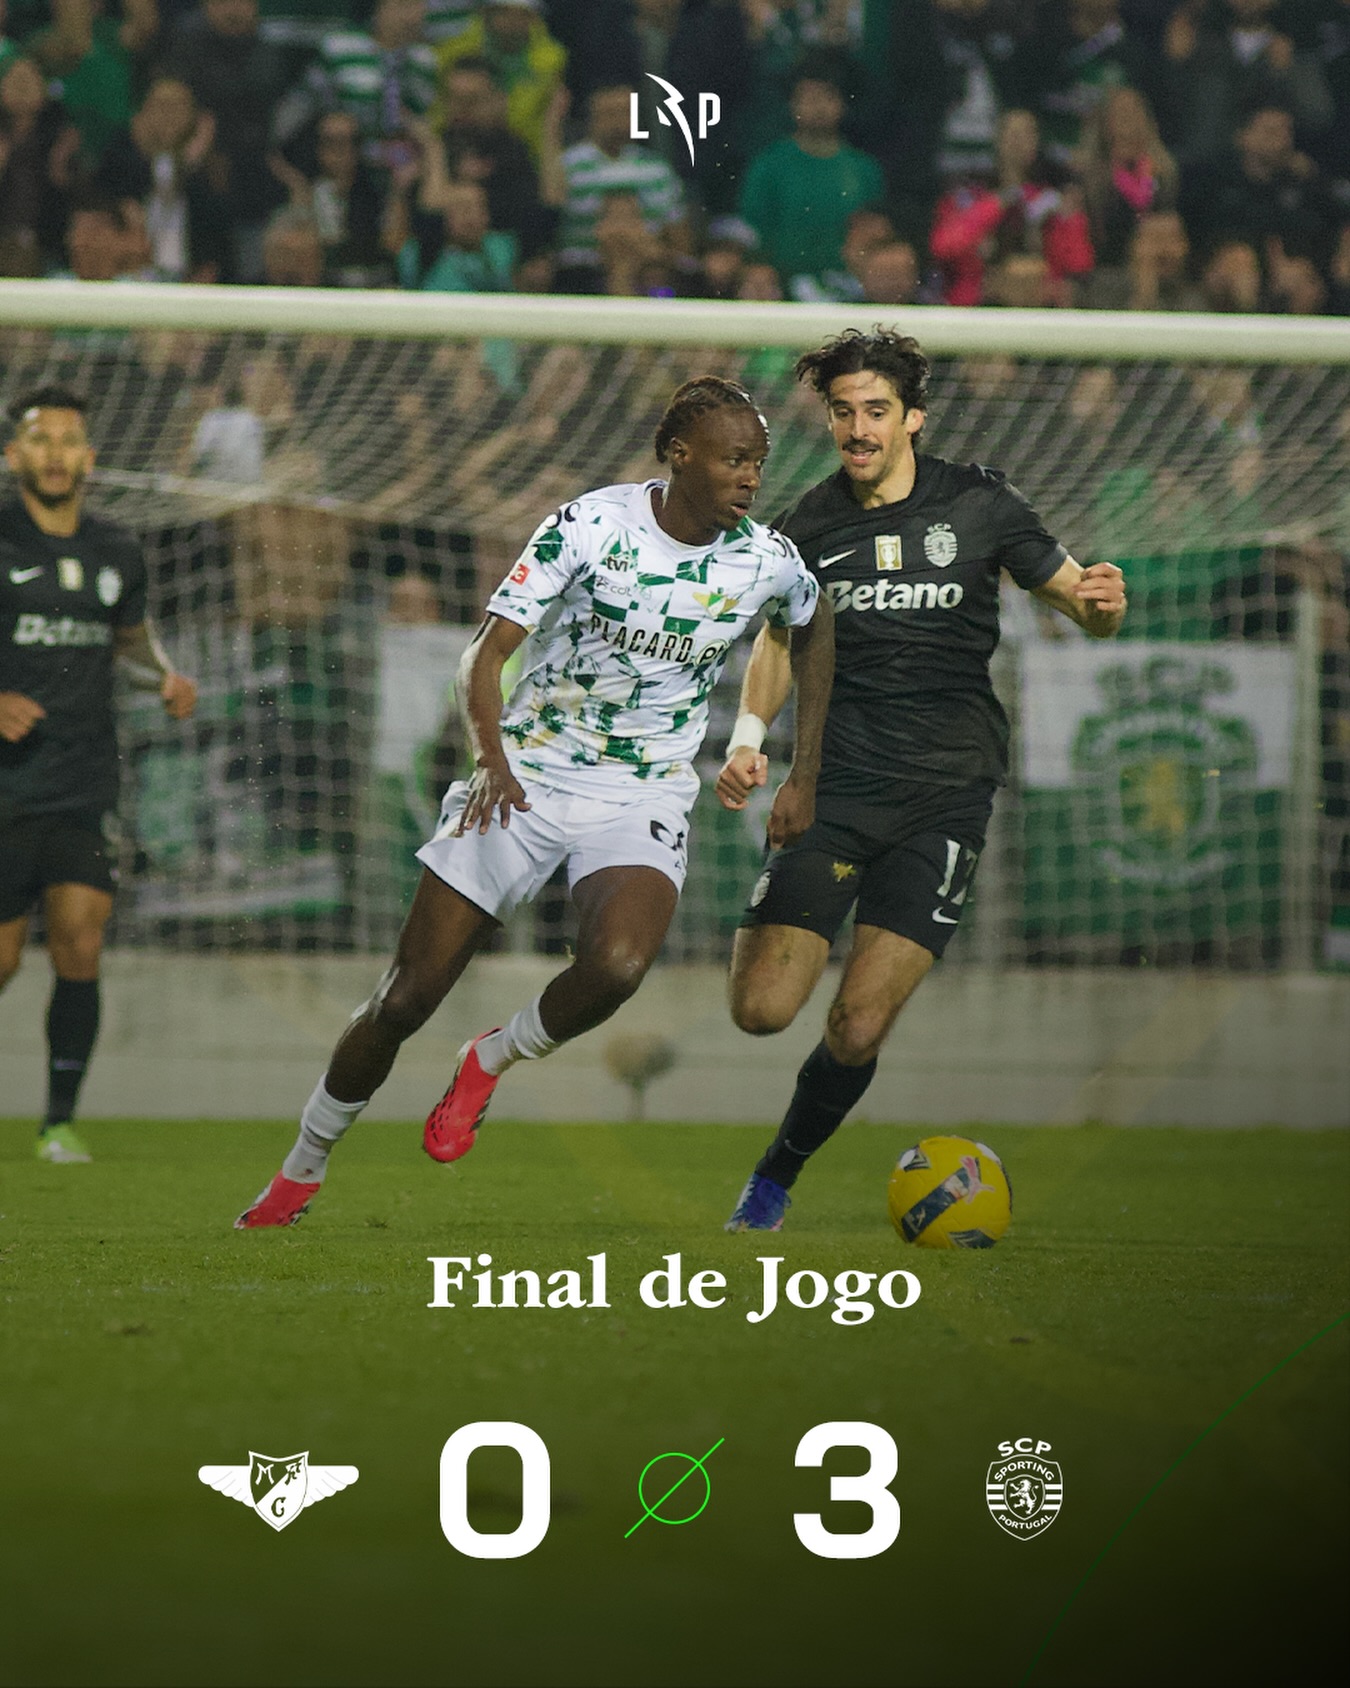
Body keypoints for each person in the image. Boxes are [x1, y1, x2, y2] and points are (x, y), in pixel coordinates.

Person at [236, 374, 834, 1229]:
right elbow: (482, 657)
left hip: (641, 791)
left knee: (618, 967)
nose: (751, 477)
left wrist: (776, 756)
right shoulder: (590, 526)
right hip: (525, 774)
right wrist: (489, 760)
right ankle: (301, 1168)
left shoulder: (765, 558)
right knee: (405, 999)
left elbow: (810, 626)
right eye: (734, 460)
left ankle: (490, 1058)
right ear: (678, 455)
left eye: (758, 462)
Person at [716, 329, 1126, 1231]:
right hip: (836, 791)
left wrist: (1100, 606)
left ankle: (774, 1179)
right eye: (843, 412)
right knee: (761, 1010)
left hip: (946, 797)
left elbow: (1075, 598)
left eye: (875, 411)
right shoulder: (807, 527)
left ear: (912, 420)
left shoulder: (980, 503)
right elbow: (777, 644)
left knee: (859, 1025)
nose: (857, 429)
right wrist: (749, 738)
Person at [0, 387, 198, 1163]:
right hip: (5, 785)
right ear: (14, 455)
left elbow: (130, 640)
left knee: (80, 942)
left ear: (88, 458)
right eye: (39, 439)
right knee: (4, 960)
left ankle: (57, 1124)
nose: (54, 454)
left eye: (67, 440)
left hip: (84, 780)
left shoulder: (117, 548)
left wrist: (164, 678)